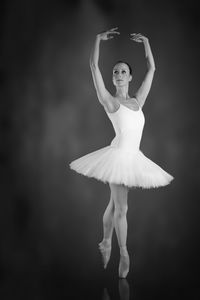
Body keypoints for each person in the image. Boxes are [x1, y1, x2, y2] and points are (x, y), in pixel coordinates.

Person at [69, 28, 174, 278]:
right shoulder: (109, 101)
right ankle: (124, 253)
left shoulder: (138, 100)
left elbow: (152, 70)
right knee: (122, 209)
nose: (117, 75)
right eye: (115, 72)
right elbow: (94, 66)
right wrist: (97, 40)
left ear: (129, 77)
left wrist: (147, 43)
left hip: (133, 157)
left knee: (114, 204)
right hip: (117, 158)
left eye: (122, 72)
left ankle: (106, 241)